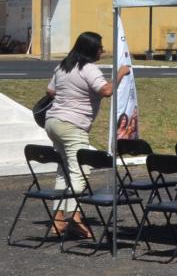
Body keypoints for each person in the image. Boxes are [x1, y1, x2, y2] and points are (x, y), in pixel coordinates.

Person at [43, 31, 128, 238]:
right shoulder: (88, 68)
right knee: (80, 171)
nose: (103, 50)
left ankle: (58, 218)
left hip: (53, 122)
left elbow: (50, 91)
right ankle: (74, 217)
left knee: (64, 170)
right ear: (91, 50)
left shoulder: (63, 66)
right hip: (73, 125)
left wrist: (70, 95)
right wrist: (120, 74)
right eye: (100, 47)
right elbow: (106, 90)